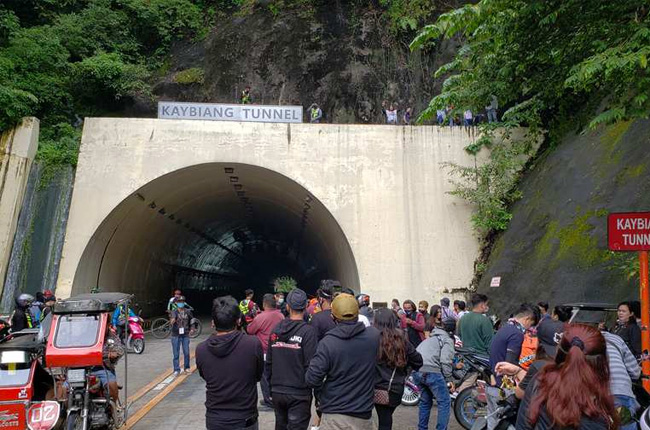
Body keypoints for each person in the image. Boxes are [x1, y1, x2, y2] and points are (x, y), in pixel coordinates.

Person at [516, 324, 619, 430]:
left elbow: (523, 425)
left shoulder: (541, 379)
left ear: (559, 351)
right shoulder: (597, 415)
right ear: (602, 362)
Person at [305, 293, 380, 430]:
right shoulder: (373, 336)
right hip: (364, 413)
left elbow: (312, 379)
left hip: (334, 414)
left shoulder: (327, 343)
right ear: (358, 313)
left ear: (333, 317)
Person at [196, 296, 264, 430]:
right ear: (239, 320)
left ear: (213, 323)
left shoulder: (201, 349)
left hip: (215, 419)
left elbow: (205, 375)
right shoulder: (252, 344)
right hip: (244, 418)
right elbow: (258, 375)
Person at [267, 288, 318, 430]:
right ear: (306, 307)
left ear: (288, 306)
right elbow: (311, 365)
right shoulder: (308, 332)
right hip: (299, 393)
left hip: (278, 391)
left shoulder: (275, 330)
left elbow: (269, 363)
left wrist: (270, 389)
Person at [373, 308, 423, 430]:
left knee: (382, 419)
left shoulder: (370, 338)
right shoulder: (400, 340)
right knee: (385, 419)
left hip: (373, 386)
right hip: (394, 386)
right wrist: (405, 367)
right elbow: (418, 361)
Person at [495, 318, 563, 399]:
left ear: (538, 341)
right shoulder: (573, 364)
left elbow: (520, 393)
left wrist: (517, 373)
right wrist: (518, 371)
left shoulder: (539, 365)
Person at [414, 306, 455, 430]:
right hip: (432, 372)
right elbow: (445, 361)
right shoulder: (447, 340)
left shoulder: (431, 339)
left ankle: (422, 428)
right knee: (445, 402)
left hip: (417, 372)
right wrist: (449, 379)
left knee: (425, 402)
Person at [247, 293, 285, 408]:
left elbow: (250, 330)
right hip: (278, 351)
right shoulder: (281, 316)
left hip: (264, 352)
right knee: (275, 376)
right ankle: (276, 397)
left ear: (264, 304)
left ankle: (269, 400)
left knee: (265, 377)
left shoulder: (260, 317)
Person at [602, 326, 641, 430]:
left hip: (595, 394)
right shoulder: (617, 339)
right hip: (620, 391)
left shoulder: (582, 340)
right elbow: (636, 372)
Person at [90, 322, 125, 403]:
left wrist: (114, 353)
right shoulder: (83, 335)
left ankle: (112, 409)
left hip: (102, 368)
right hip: (81, 369)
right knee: (63, 388)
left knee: (112, 385)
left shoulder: (111, 336)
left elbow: (120, 349)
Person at [170, 296, 193, 376]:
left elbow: (192, 321)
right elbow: (172, 320)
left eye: (182, 301)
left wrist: (192, 329)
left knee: (186, 352)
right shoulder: (174, 312)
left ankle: (187, 368)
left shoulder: (188, 311)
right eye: (179, 301)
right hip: (175, 335)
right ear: (176, 303)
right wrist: (172, 321)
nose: (181, 303)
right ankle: (176, 369)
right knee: (176, 354)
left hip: (185, 334)